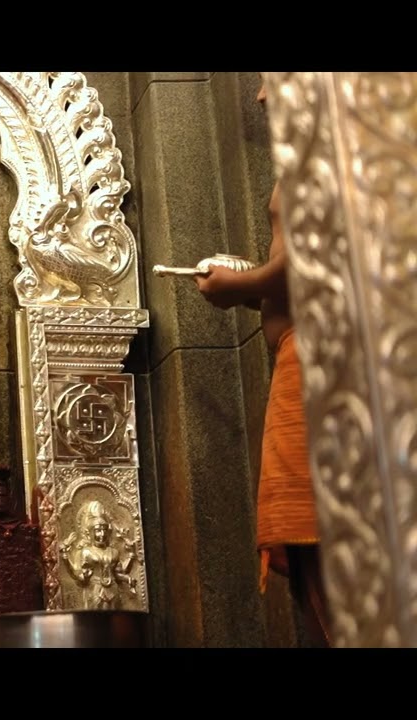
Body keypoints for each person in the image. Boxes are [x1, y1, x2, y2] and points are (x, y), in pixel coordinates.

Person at [192, 83, 330, 648]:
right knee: (311, 545)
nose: (262, 94)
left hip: (325, 360)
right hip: (304, 358)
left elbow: (320, 253)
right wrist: (254, 291)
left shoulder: (339, 145)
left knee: (328, 542)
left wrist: (241, 284)